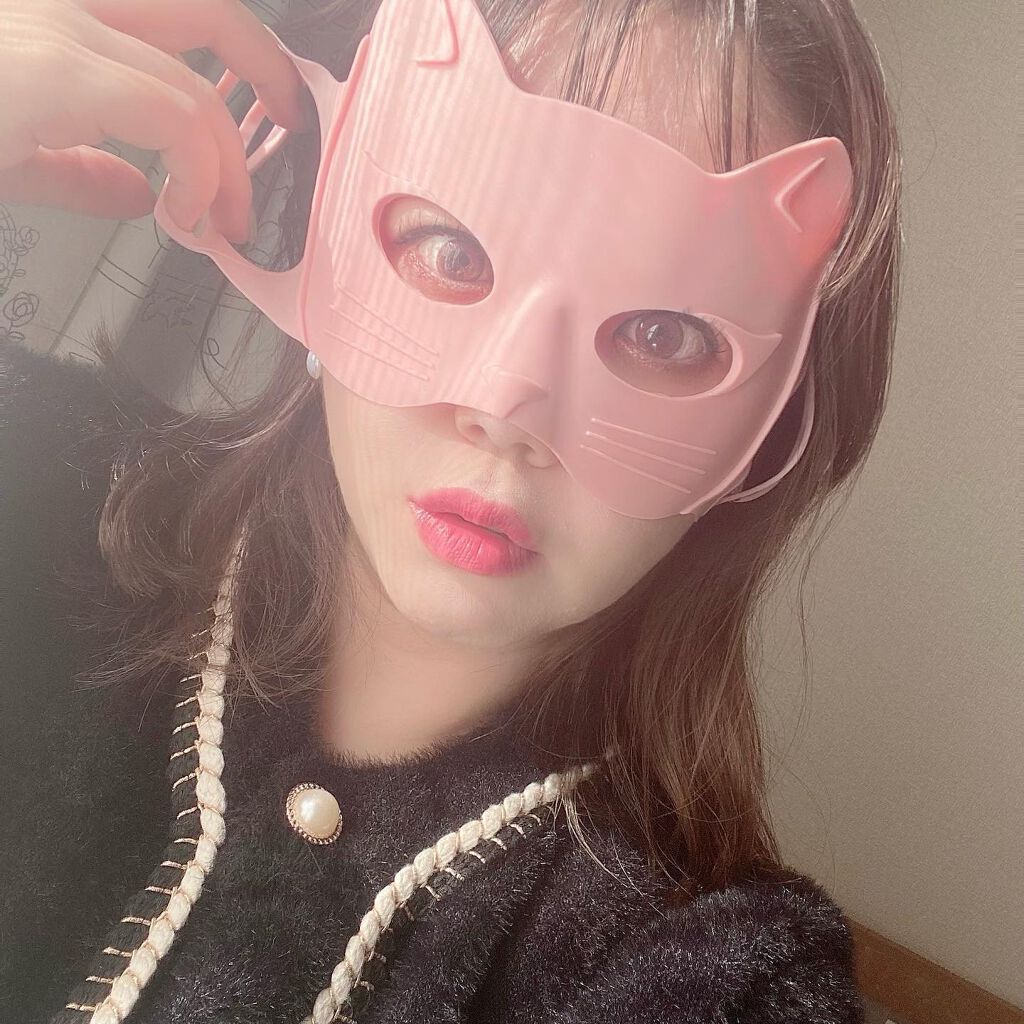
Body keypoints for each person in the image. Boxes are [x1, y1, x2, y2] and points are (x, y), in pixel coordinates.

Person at [0, 0, 901, 1021]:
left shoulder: (708, 972)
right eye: (451, 251)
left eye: (662, 333)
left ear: (782, 423)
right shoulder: (36, 487)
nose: (504, 411)